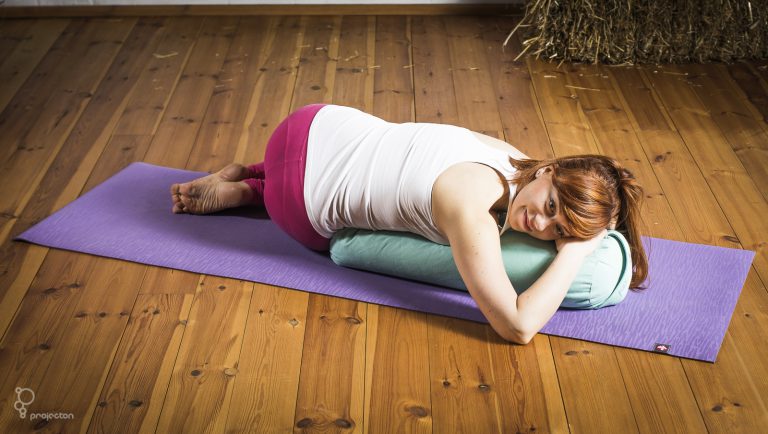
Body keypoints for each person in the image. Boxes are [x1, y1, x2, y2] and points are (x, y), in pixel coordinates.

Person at [170, 104, 648, 345]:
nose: (539, 222)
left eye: (557, 230)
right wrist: (575, 251)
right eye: (552, 204)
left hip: (316, 120)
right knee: (326, 237)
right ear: (550, 172)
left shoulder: (509, 154)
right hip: (296, 205)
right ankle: (260, 191)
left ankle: (251, 180)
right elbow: (518, 327)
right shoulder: (473, 211)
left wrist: (583, 224)